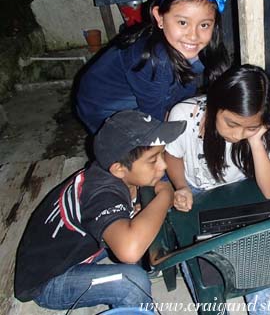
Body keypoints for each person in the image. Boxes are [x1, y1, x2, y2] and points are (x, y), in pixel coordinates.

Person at [14, 110, 186, 311]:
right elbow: (129, 251)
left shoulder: (112, 173)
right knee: (131, 282)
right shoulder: (100, 193)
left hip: (73, 252)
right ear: (119, 169)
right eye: (153, 159)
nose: (163, 165)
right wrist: (165, 195)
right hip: (50, 282)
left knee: (145, 222)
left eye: (162, 154)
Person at [165, 64, 270, 314]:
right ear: (216, 105)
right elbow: (172, 156)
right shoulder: (184, 115)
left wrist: (256, 141)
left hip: (237, 195)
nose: (238, 134)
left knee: (254, 264)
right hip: (196, 192)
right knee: (198, 260)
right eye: (231, 123)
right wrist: (181, 186)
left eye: (248, 127)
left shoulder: (257, 131)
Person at [75, 0, 231, 134]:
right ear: (160, 17)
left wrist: (198, 111)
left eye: (204, 25)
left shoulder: (188, 47)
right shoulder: (153, 60)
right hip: (104, 110)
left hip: (146, 93)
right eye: (183, 22)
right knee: (146, 152)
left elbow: (185, 87)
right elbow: (154, 120)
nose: (193, 35)